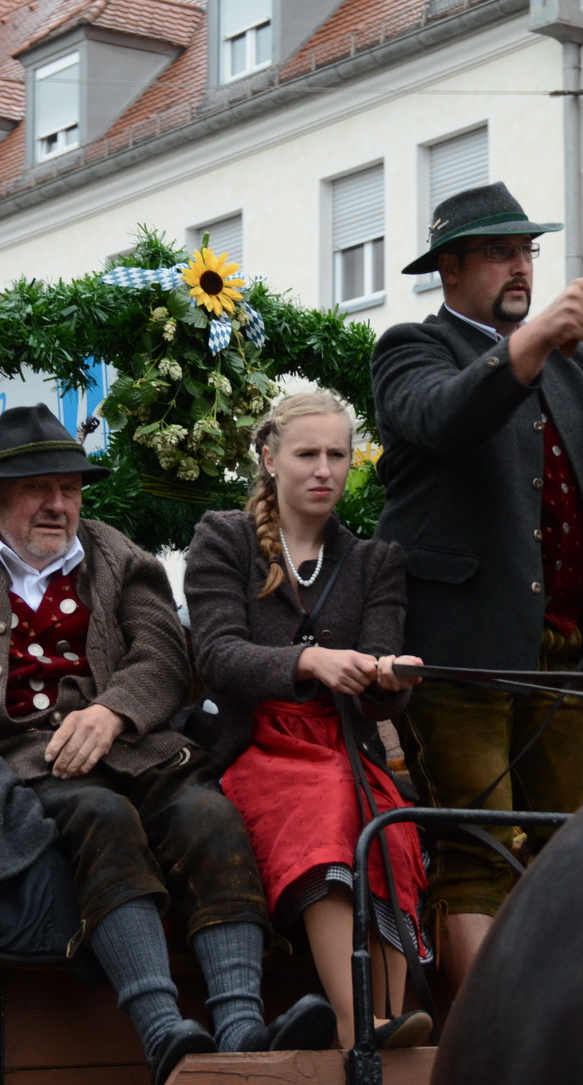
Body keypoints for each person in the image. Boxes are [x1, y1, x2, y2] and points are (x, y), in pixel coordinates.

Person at [0, 403, 335, 1085]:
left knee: (210, 817)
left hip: (133, 747)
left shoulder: (120, 554)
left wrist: (110, 711)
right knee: (102, 817)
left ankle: (243, 1028)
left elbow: (162, 654)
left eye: (69, 487)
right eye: (38, 488)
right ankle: (163, 1034)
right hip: (16, 760)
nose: (58, 504)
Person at [371, 182, 583, 985]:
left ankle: (576, 1029)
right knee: (478, 849)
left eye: (527, 251)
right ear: (448, 269)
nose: (521, 266)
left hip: (568, 654)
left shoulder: (575, 362)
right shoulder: (409, 348)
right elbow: (447, 415)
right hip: (461, 656)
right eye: (499, 252)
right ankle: (487, 1055)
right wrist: (533, 342)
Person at [183, 390, 432, 1050]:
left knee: (389, 821)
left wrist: (387, 680)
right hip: (259, 747)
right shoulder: (223, 538)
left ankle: (389, 1013)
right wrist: (311, 661)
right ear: (269, 458)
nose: (324, 468)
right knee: (325, 808)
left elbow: (378, 688)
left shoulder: (377, 560)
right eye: (307, 453)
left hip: (344, 746)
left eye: (338, 454)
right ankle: (360, 1023)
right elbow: (217, 654)